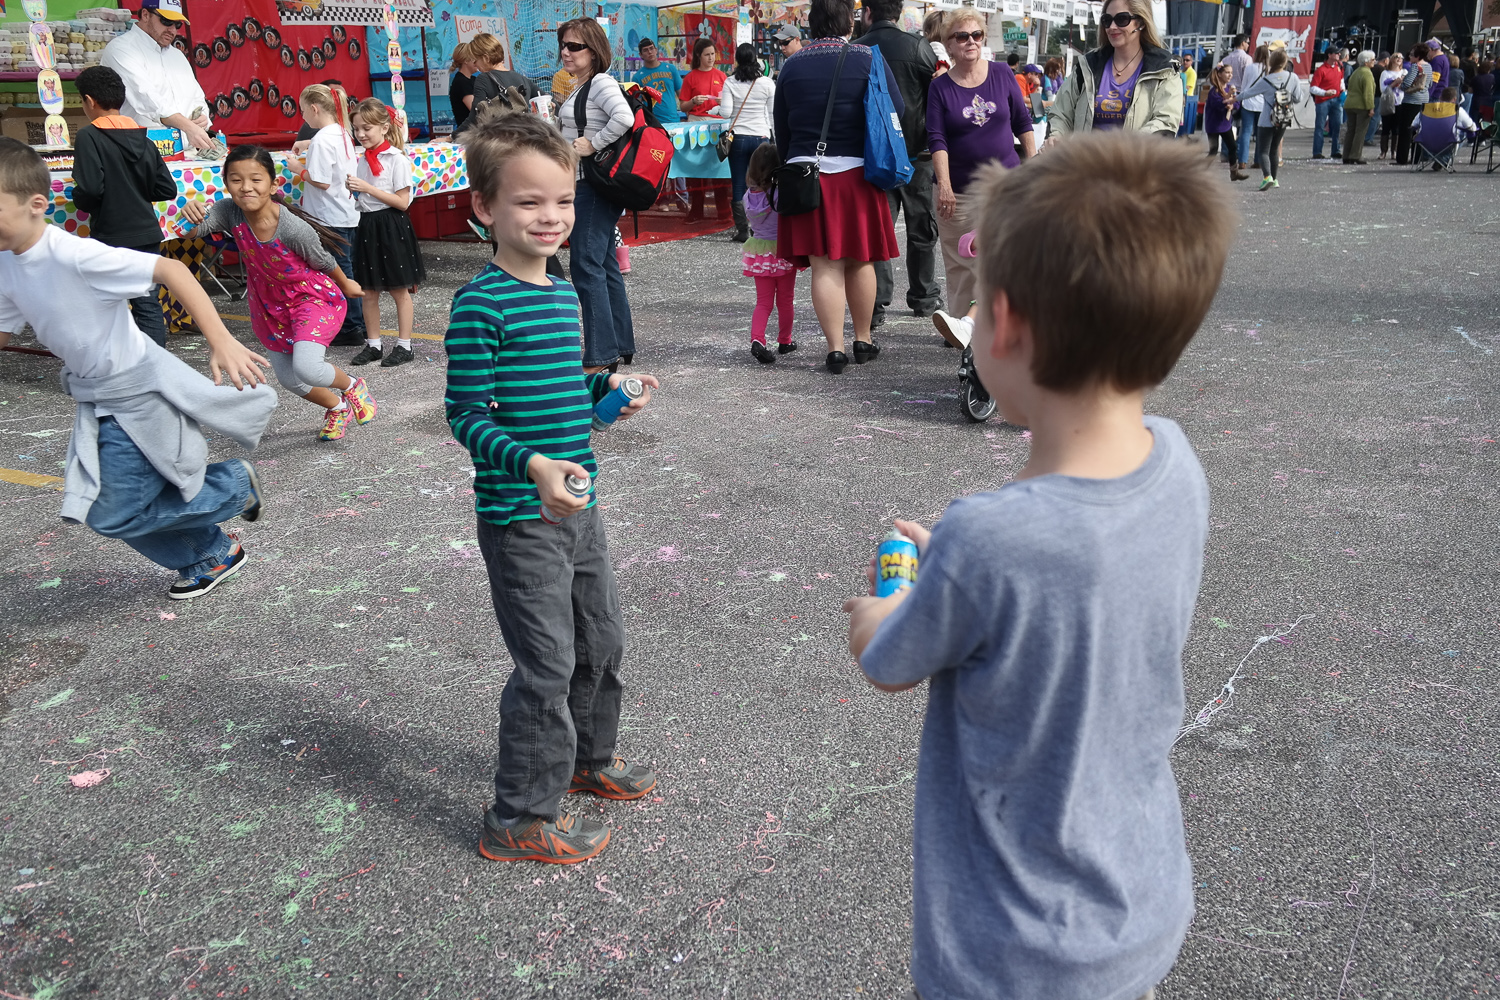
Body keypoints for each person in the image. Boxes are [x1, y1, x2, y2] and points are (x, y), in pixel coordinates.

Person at [842, 130, 1232, 1000]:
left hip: (1014, 949)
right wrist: (963, 570)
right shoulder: (1175, 461)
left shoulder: (988, 539)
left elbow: (890, 660)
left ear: (1006, 323)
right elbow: (1068, 575)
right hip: (1135, 903)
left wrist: (884, 606)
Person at [446, 106, 660, 865]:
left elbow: (565, 390)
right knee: (545, 665)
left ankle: (585, 761)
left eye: (564, 200)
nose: (551, 216)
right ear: (485, 208)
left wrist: (609, 392)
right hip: (520, 513)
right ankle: (519, 816)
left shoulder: (562, 293)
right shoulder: (480, 304)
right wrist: (532, 465)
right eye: (529, 201)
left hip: (579, 501)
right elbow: (466, 415)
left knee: (600, 639)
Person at [0, 137, 275, 600]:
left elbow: (172, 271)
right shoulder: (7, 262)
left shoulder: (74, 255)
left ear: (36, 205)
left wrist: (223, 340)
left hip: (136, 396)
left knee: (111, 512)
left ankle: (230, 487)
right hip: (100, 399)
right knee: (111, 508)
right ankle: (211, 553)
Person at [180, 146, 373, 442]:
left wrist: (346, 284)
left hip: (309, 299)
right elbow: (196, 230)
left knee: (308, 368)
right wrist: (191, 216)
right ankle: (338, 408)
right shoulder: (230, 212)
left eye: (255, 180)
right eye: (236, 180)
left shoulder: (293, 228)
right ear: (226, 183)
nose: (246, 187)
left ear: (273, 185)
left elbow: (323, 260)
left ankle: (352, 386)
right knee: (289, 379)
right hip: (269, 305)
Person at [772, 0, 904, 374]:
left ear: (811, 24)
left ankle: (835, 349)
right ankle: (863, 339)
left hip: (807, 175)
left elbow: (781, 127)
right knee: (861, 260)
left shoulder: (792, 65)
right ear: (849, 22)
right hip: (858, 174)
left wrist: (796, 162)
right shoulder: (868, 57)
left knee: (824, 266)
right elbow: (895, 109)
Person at [927, 6, 1033, 350]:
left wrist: (1033, 168)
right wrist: (944, 185)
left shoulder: (1001, 73)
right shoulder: (940, 87)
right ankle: (966, 343)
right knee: (961, 268)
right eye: (962, 36)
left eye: (976, 35)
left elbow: (1022, 122)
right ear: (948, 44)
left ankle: (982, 329)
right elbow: (937, 139)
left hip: (1004, 188)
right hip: (957, 191)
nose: (971, 41)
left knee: (1000, 260)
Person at [69, 65, 175, 349]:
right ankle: (154, 364)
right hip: (147, 233)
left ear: (89, 100)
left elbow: (90, 189)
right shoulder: (144, 138)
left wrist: (80, 199)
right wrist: (135, 190)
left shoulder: (89, 136)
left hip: (110, 234)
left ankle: (113, 362)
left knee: (106, 303)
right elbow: (167, 189)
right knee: (147, 303)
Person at [558, 17, 636, 372]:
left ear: (594, 51)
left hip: (591, 186)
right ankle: (618, 344)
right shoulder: (583, 85)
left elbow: (624, 118)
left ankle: (601, 354)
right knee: (603, 265)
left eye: (575, 46)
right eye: (563, 45)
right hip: (589, 185)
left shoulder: (600, 82)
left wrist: (593, 143)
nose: (566, 52)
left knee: (586, 266)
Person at [861, 0, 942, 327]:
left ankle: (875, 303)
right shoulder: (918, 47)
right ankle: (923, 297)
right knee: (922, 230)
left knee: (878, 233)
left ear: (868, 12)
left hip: (875, 156)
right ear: (898, 13)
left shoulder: (858, 48)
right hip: (917, 154)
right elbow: (937, 96)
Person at [345, 98, 425, 368]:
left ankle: (404, 345)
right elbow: (366, 198)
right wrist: (356, 191)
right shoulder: (363, 159)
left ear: (384, 127)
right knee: (368, 291)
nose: (361, 134)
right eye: (357, 129)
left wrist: (367, 189)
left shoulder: (396, 159)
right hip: (367, 224)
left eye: (366, 128)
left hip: (391, 225)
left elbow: (402, 202)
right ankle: (374, 344)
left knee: (399, 289)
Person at [293, 84, 366, 351]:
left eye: (303, 110)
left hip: (327, 216)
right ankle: (356, 323)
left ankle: (350, 326)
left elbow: (321, 181)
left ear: (314, 109)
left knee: (338, 271)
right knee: (346, 268)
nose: (302, 116)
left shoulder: (323, 139)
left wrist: (297, 170)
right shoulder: (341, 132)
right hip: (345, 212)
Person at [1047, 0, 1184, 138]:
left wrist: (1122, 147)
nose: (1112, 27)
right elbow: (1060, 113)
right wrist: (1056, 136)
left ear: (1141, 23)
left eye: (1122, 19)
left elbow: (1165, 123)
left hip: (1137, 152)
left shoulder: (1164, 70)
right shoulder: (1087, 66)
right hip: (1083, 152)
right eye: (1107, 20)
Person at [100, 0, 215, 153]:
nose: (172, 30)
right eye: (166, 21)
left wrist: (202, 118)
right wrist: (189, 127)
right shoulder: (121, 49)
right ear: (145, 15)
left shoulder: (177, 55)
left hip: (185, 152)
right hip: (141, 152)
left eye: (177, 24)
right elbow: (147, 98)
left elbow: (196, 97)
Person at [741, 143, 800, 364]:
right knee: (786, 300)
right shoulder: (779, 194)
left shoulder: (747, 197)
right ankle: (785, 340)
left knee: (763, 302)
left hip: (759, 252)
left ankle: (757, 339)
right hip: (782, 251)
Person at [718, 43, 776, 243]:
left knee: (738, 184)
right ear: (755, 59)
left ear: (737, 60)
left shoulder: (730, 82)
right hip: (762, 138)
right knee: (764, 181)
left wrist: (717, 107)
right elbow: (772, 114)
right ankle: (763, 224)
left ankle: (743, 230)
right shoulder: (767, 83)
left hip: (739, 138)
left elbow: (726, 112)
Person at [1237, 48, 1303, 190]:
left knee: (1263, 150)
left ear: (1271, 62)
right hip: (1283, 118)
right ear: (1285, 62)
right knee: (1274, 149)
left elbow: (1248, 93)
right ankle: (1275, 179)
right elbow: (1298, 98)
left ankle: (1267, 177)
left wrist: (1233, 99)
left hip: (1267, 119)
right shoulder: (1293, 77)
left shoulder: (1266, 80)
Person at [1395, 44, 1433, 165]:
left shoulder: (1415, 67)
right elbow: (1430, 84)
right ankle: (1416, 158)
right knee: (1419, 130)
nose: (1409, 57)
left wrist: (1401, 83)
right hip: (1424, 100)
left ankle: (1402, 158)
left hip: (1411, 101)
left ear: (1418, 56)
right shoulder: (1429, 67)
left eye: (1412, 55)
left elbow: (1406, 84)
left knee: (1406, 130)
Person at [632, 38, 684, 125]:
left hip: (673, 120)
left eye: (651, 48)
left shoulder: (671, 69)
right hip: (653, 123)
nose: (649, 52)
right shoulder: (637, 77)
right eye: (645, 50)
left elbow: (682, 96)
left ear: (656, 50)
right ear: (641, 55)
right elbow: (637, 104)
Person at [1342, 51, 1376, 165]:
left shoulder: (1356, 71)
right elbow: (1368, 93)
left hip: (1349, 103)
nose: (1374, 61)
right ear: (1366, 62)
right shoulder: (1367, 73)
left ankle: (1346, 155)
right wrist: (1370, 107)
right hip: (1361, 105)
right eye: (1372, 60)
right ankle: (1355, 155)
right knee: (1360, 131)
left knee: (1350, 131)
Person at [1310, 49, 1344, 160]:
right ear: (1329, 55)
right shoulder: (1321, 70)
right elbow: (1313, 88)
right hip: (1323, 101)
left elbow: (1341, 80)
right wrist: (1325, 93)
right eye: (1336, 53)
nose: (1339, 55)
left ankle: (1336, 151)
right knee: (1320, 127)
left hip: (1336, 99)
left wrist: (1343, 90)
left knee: (1337, 126)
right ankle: (1317, 152)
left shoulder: (1339, 67)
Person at [679, 38, 727, 118]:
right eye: (707, 55)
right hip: (698, 118)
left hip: (719, 119)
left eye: (712, 54)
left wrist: (724, 102)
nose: (711, 58)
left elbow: (732, 102)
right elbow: (683, 107)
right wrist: (693, 101)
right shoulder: (690, 77)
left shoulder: (722, 76)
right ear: (698, 55)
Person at [1202, 63, 1236, 171]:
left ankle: (1234, 172)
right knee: (1213, 150)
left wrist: (1233, 105)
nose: (1230, 75)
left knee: (1233, 147)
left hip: (1225, 124)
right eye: (1227, 72)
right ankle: (1199, 170)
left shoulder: (1230, 88)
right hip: (1214, 125)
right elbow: (1217, 104)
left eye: (1231, 73)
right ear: (1220, 74)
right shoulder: (1214, 91)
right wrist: (1227, 101)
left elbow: (1237, 102)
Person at [1378, 53, 1406, 159]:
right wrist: (1394, 83)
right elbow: (1383, 89)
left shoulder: (1404, 72)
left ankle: (1394, 151)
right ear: (1391, 59)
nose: (1399, 59)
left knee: (1396, 128)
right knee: (1386, 127)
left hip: (1400, 102)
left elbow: (1407, 87)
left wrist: (1402, 83)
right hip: (1388, 102)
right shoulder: (1385, 73)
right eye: (1396, 57)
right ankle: (1383, 151)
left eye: (1401, 57)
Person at [448, 42, 476, 128]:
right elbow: (475, 109)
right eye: (475, 58)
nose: (477, 61)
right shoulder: (461, 82)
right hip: (468, 132)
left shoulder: (473, 79)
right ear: (466, 61)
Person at [1177, 57, 1198, 135]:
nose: (1185, 62)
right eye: (1184, 60)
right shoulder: (1181, 72)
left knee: (1184, 125)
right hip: (1180, 98)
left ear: (1191, 62)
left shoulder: (1191, 72)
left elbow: (1187, 87)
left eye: (1187, 60)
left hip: (1186, 99)